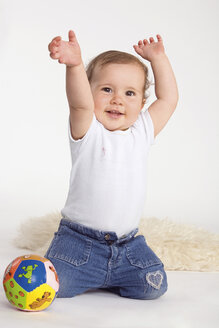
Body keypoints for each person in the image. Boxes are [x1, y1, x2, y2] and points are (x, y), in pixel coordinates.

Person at [45, 30, 178, 299]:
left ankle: (111, 274)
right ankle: (89, 272)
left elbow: (168, 100)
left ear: (141, 103)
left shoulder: (142, 131)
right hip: (79, 241)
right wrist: (74, 66)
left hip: (127, 244)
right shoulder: (88, 129)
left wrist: (158, 59)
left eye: (129, 93)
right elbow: (79, 104)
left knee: (153, 287)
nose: (117, 99)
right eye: (106, 90)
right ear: (90, 91)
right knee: (55, 286)